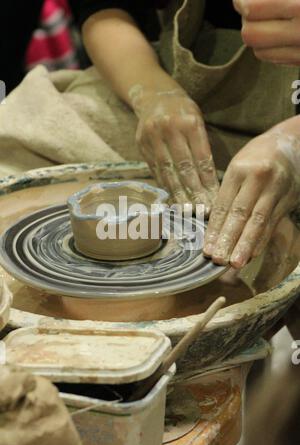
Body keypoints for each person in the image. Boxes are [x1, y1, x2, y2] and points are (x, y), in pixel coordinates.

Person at [72, 0, 300, 270]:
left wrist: (292, 140)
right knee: (23, 133)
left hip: (287, 129)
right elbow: (100, 11)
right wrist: (152, 92)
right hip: (177, 94)